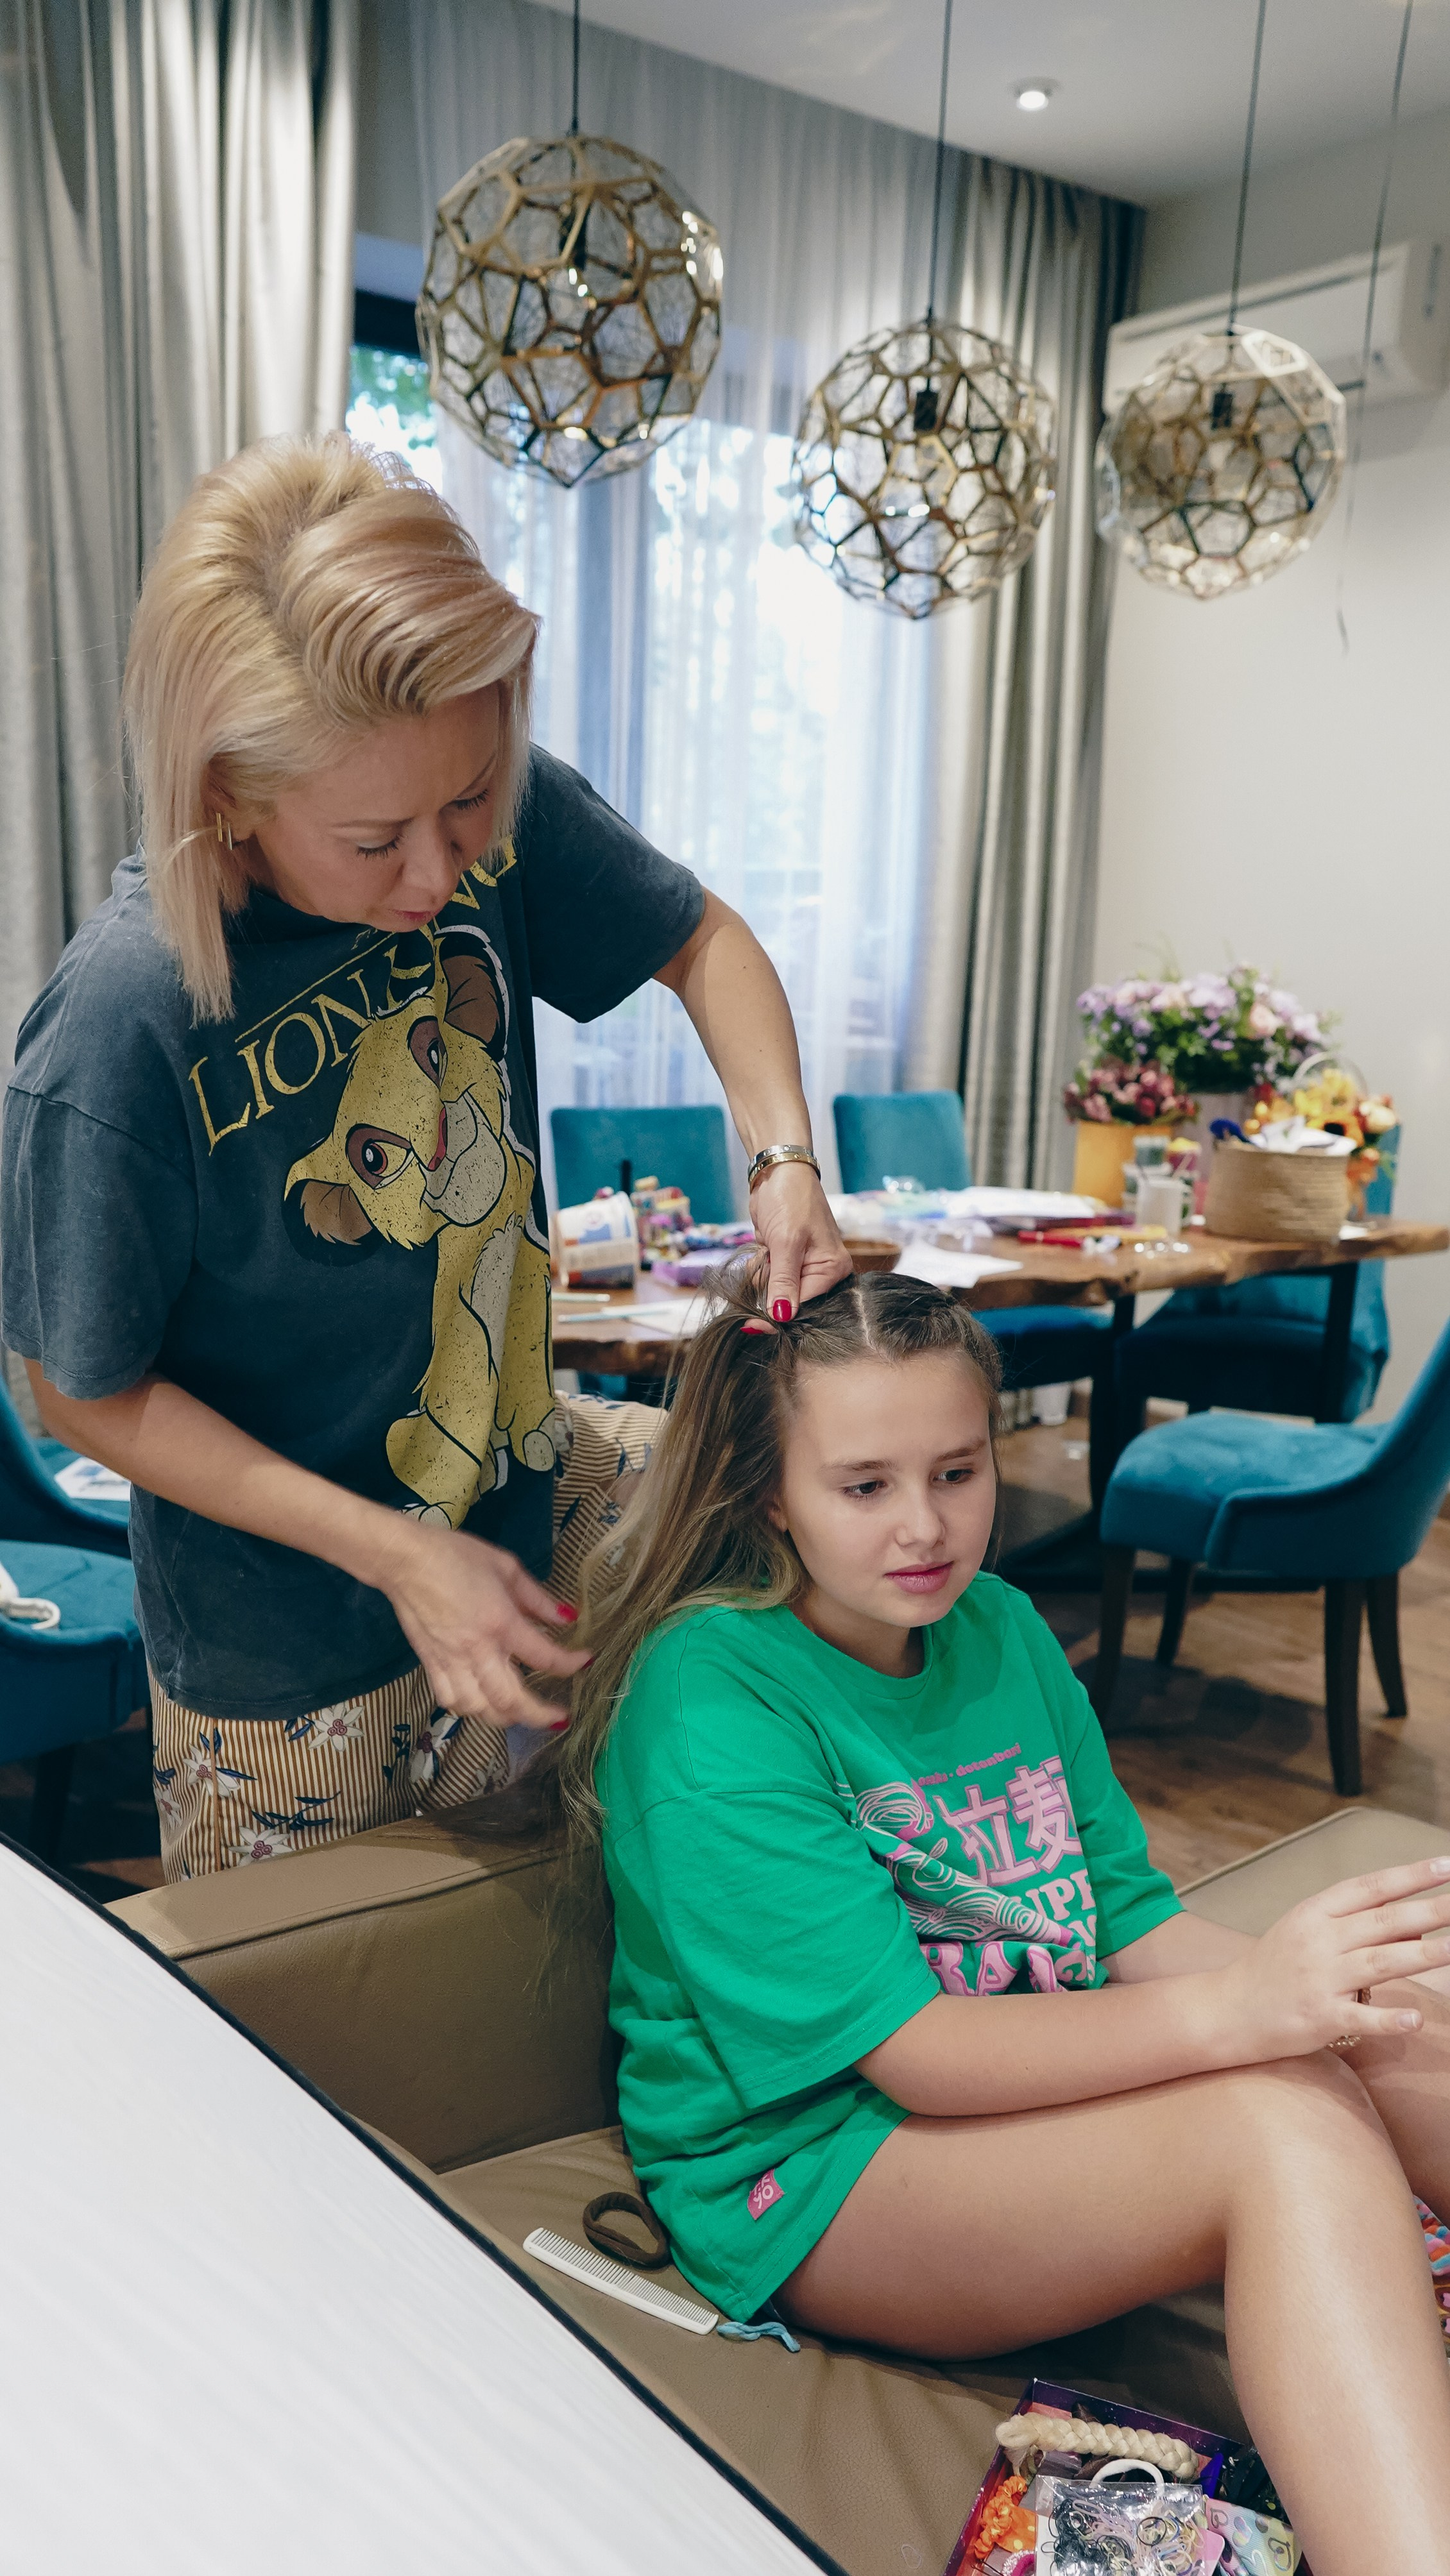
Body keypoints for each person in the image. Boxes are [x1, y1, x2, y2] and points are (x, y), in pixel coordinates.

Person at [0, 434, 849, 1878]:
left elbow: (699, 939)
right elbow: (79, 1390)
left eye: (467, 803)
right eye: (375, 839)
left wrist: (784, 1160)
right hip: (289, 1647)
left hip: (515, 1490)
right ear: (228, 791)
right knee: (320, 2000)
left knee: (791, 1504)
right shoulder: (123, 1022)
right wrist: (398, 1554)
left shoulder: (474, 797)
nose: (442, 869)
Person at [560, 1269, 1450, 2576]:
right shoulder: (710, 1703)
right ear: (770, 1496)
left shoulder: (1001, 1625)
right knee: (1283, 2125)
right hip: (817, 2170)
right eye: (863, 1486)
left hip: (1012, 2077)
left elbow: (1119, 1915)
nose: (923, 1527)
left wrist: (1322, 1988)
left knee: (1391, 2013)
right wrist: (1244, 2011)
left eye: (957, 1472)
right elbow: (914, 2051)